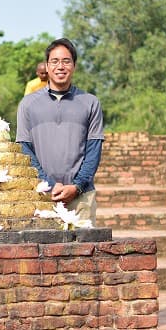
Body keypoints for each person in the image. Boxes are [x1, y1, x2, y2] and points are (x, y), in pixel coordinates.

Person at [16, 38, 104, 221]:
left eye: (66, 61)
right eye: (54, 61)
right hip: (41, 196)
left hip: (81, 198)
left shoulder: (90, 103)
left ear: (74, 66)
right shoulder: (28, 104)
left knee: (83, 249)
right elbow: (24, 149)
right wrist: (47, 184)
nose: (60, 66)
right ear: (47, 67)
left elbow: (93, 150)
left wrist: (77, 186)